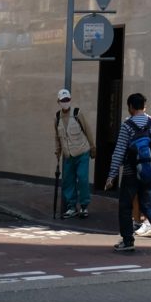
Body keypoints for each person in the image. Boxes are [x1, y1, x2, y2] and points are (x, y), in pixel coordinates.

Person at [104, 92, 151, 252]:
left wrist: (111, 175)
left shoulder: (127, 125)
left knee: (125, 206)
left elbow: (119, 151)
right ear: (144, 106)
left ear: (131, 107)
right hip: (149, 170)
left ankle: (128, 241)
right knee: (148, 203)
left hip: (130, 172)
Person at [54, 88, 97, 218]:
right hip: (68, 155)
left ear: (70, 100)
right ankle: (72, 207)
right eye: (63, 100)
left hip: (82, 152)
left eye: (67, 100)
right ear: (58, 101)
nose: (65, 102)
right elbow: (57, 137)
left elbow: (88, 130)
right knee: (68, 181)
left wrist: (93, 147)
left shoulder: (77, 113)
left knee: (82, 179)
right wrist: (58, 152)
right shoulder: (57, 117)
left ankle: (84, 206)